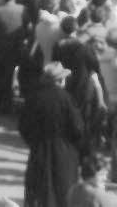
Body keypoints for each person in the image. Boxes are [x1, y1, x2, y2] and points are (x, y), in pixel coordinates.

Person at [22, 60, 86, 207]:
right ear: (61, 80)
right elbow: (78, 128)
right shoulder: (66, 99)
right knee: (63, 190)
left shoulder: (34, 97)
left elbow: (23, 126)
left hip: (39, 148)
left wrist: (34, 141)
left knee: (39, 190)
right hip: (64, 150)